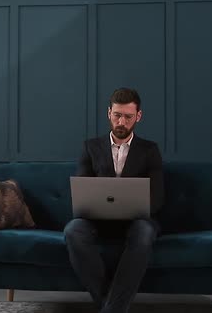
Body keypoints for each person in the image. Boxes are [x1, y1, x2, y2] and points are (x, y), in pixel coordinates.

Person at [63, 87, 164, 313]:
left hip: (137, 220)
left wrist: (135, 208)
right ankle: (112, 306)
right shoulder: (90, 147)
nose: (121, 121)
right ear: (109, 113)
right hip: (96, 219)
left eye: (128, 117)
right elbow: (82, 188)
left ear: (138, 116)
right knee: (73, 231)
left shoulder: (149, 150)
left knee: (145, 232)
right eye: (117, 115)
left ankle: (110, 308)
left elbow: (156, 198)